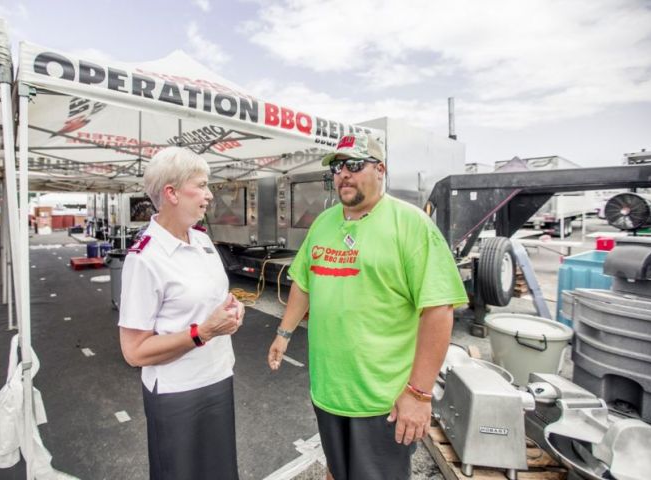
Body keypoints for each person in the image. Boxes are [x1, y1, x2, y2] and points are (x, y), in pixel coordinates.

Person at [268, 132, 468, 480]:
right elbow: (304, 282)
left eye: (354, 165)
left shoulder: (411, 224)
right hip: (328, 392)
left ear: (381, 170)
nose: (344, 173)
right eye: (338, 167)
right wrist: (283, 333)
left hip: (381, 402)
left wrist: (419, 395)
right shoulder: (324, 223)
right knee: (336, 470)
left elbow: (438, 311)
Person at [118, 146, 244, 480]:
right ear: (172, 193)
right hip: (177, 393)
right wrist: (202, 332)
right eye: (201, 185)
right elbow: (134, 352)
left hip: (218, 377)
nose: (209, 195)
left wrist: (232, 308)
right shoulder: (144, 258)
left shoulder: (202, 240)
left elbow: (214, 298)